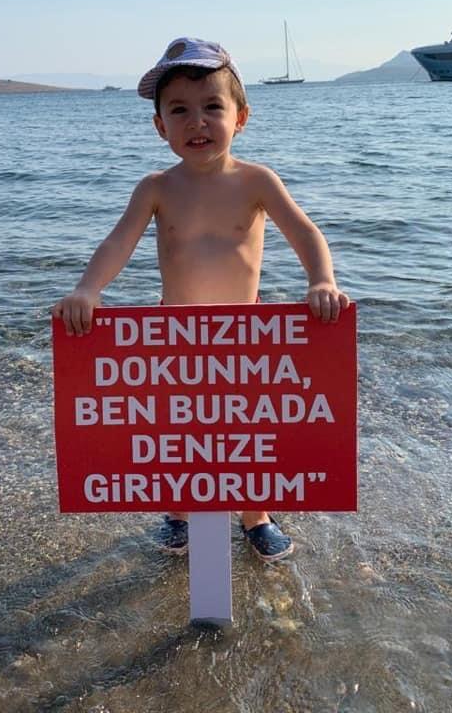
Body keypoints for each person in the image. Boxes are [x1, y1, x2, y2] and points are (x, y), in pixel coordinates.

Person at [52, 36, 350, 561]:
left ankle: (256, 515)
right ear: (159, 126)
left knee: (247, 430)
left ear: (241, 117)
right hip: (176, 340)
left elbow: (305, 232)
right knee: (180, 430)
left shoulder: (257, 181)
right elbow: (118, 243)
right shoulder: (156, 188)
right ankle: (179, 511)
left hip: (246, 337)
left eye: (213, 107)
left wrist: (321, 280)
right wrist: (88, 289)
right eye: (180, 110)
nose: (198, 122)